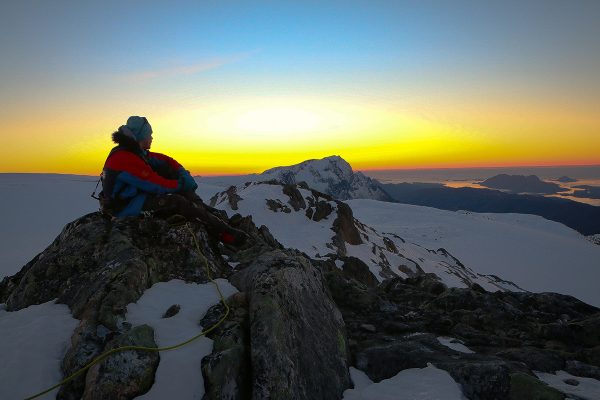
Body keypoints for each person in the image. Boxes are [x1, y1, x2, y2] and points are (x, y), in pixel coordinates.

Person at [99, 116, 248, 245]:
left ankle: (213, 215)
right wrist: (182, 184)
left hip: (134, 197)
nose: (152, 137)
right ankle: (225, 233)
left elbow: (164, 160)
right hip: (124, 208)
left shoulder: (134, 152)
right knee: (177, 201)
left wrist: (181, 172)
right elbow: (156, 185)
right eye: (149, 134)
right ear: (140, 137)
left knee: (171, 174)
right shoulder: (125, 158)